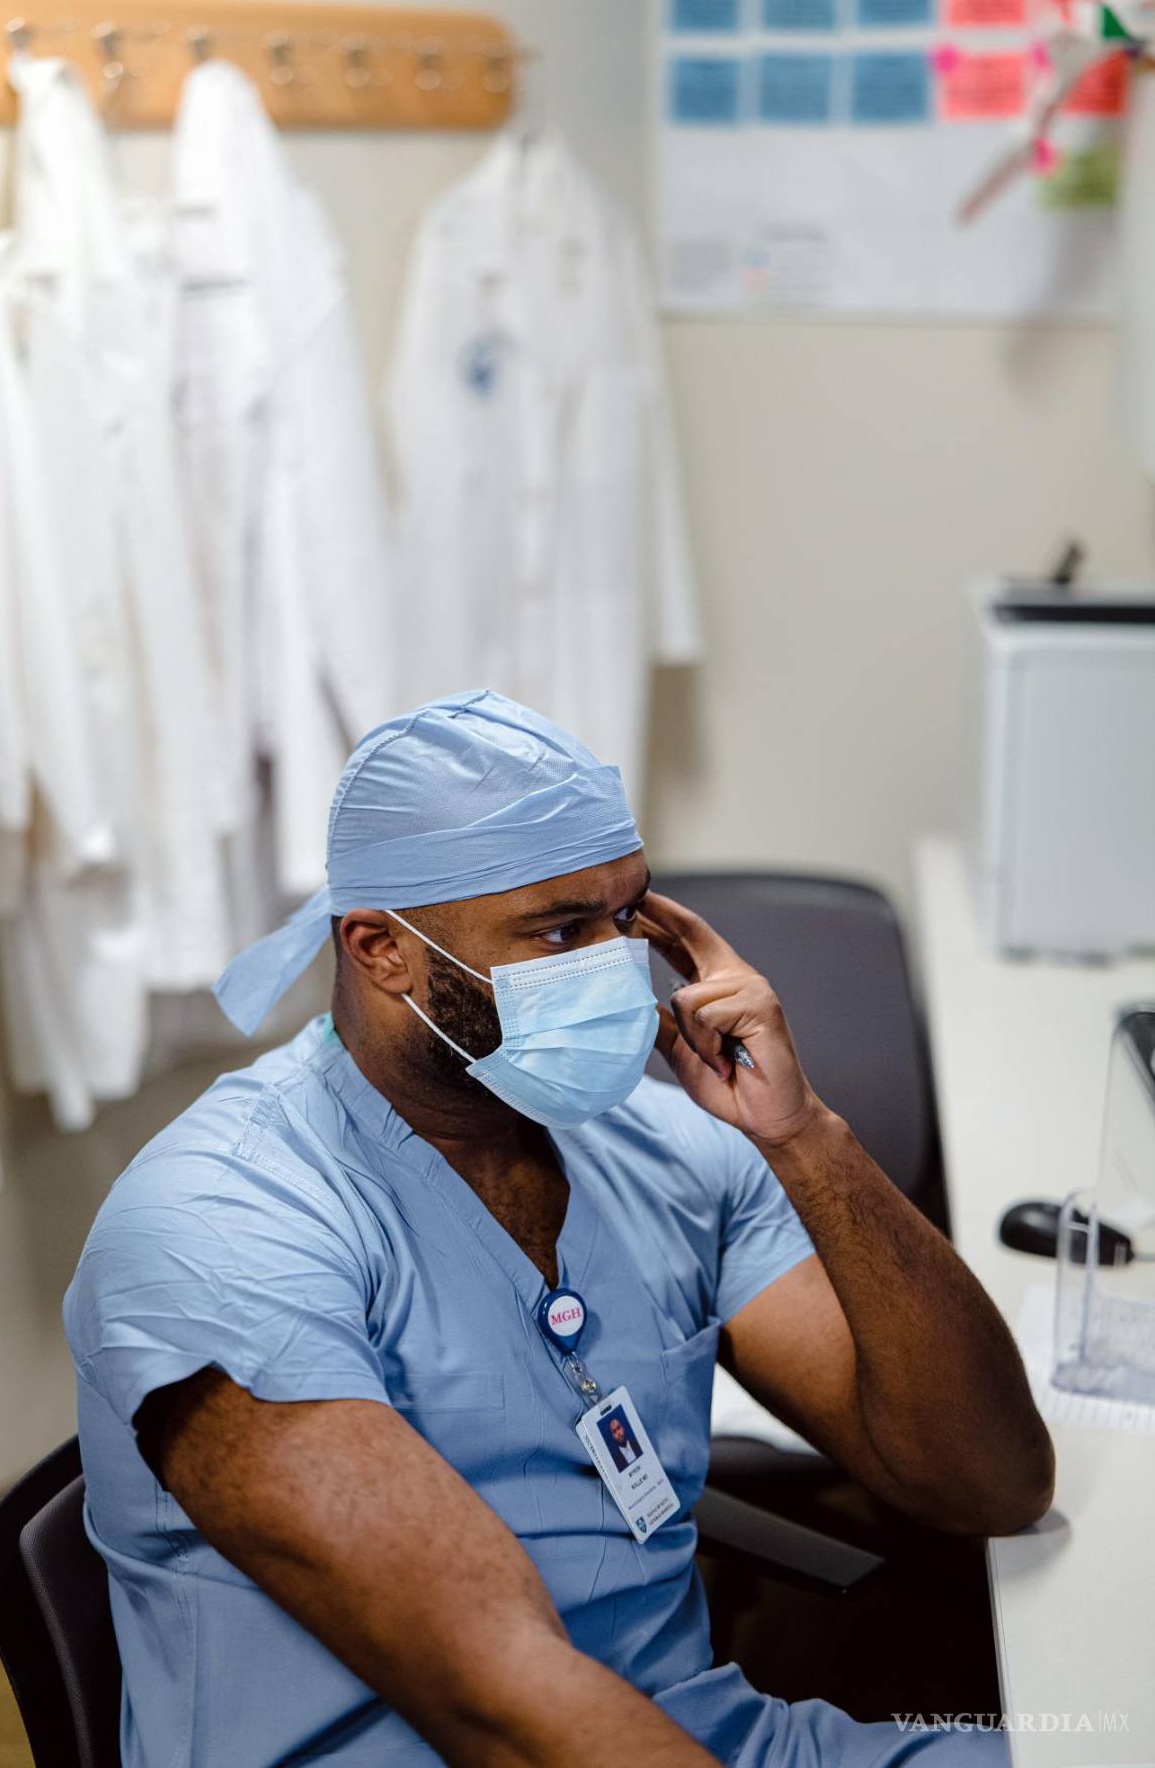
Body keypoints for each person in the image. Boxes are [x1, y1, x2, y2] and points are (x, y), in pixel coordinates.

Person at [64, 690, 1053, 1768]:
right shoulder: (223, 1224)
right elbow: (498, 1698)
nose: (614, 965)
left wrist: (806, 1138)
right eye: (561, 929)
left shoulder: (664, 1147)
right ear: (380, 949)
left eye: (627, 917)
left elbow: (983, 1480)